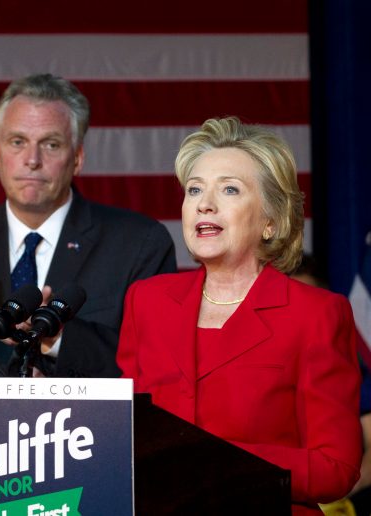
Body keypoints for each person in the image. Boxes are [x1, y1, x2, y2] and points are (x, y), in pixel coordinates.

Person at [116, 117, 361, 514]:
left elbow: (336, 468)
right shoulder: (147, 301)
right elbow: (126, 434)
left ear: (271, 220)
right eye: (194, 189)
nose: (204, 203)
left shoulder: (316, 314)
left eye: (229, 189)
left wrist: (214, 460)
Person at [0, 73, 176, 378]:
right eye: (17, 142)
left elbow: (159, 370)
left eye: (51, 144)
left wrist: (58, 339)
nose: (32, 160)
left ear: (77, 158)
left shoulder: (138, 244)